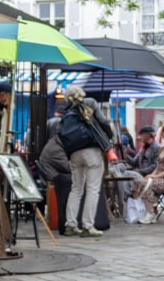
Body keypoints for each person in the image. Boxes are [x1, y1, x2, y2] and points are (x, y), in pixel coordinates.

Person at [57, 85, 111, 237]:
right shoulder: (90, 103)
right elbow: (103, 122)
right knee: (93, 188)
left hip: (74, 153)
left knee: (76, 188)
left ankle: (70, 224)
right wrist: (108, 138)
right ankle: (88, 225)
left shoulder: (66, 111)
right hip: (91, 150)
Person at [136, 123, 164, 223]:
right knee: (139, 181)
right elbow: (158, 166)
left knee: (146, 184)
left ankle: (151, 212)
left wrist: (156, 176)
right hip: (159, 178)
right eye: (163, 131)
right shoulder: (162, 148)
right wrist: (152, 174)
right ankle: (151, 210)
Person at [39, 105, 73, 235]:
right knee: (74, 182)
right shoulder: (56, 149)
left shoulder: (55, 143)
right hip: (53, 177)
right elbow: (67, 167)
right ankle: (67, 221)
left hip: (53, 174)